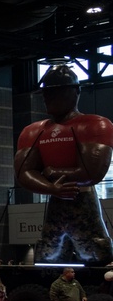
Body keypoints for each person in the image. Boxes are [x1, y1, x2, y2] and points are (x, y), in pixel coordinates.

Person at [15, 64, 113, 266]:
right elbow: (23, 172)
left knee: (95, 253)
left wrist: (52, 173)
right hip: (56, 202)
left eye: (56, 91)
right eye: (46, 92)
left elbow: (92, 172)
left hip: (83, 199)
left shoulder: (95, 125)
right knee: (49, 256)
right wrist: (52, 188)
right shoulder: (33, 131)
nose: (48, 96)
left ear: (75, 91)